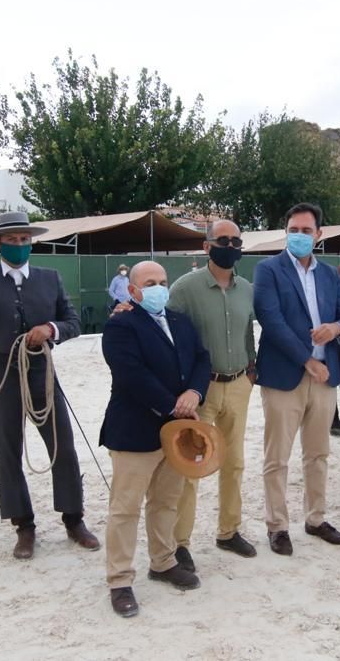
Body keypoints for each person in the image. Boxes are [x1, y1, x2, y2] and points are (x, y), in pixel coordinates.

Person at [0, 212, 98, 559]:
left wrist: (52, 330)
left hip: (42, 372)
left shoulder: (50, 278)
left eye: (24, 239)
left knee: (63, 446)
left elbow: (72, 322)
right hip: (1, 374)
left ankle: (74, 520)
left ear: (31, 241)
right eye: (11, 240)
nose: (19, 245)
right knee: (7, 450)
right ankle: (23, 526)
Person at [99, 261, 211, 618]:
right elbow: (132, 374)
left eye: (163, 281)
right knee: (125, 508)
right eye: (150, 282)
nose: (159, 287)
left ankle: (162, 562)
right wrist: (173, 406)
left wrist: (194, 391)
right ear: (132, 290)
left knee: (166, 501)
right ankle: (119, 580)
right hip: (135, 429)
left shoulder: (180, 320)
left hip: (176, 433)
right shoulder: (121, 325)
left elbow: (201, 359)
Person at [253, 202, 340, 556]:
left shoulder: (330, 274)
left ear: (319, 234)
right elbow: (271, 319)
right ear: (286, 232)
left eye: (306, 231)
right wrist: (305, 360)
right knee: (277, 457)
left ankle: (315, 518)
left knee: (318, 454)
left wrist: (337, 327)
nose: (299, 236)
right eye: (293, 230)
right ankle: (277, 525)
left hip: (325, 377)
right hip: (285, 376)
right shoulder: (268, 270)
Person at [167, 219, 259, 570]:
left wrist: (252, 369)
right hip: (199, 392)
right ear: (207, 246)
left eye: (237, 240)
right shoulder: (184, 289)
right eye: (224, 240)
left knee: (234, 463)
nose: (231, 246)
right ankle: (179, 543)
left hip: (238, 385)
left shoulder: (246, 289)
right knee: (190, 467)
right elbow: (170, 338)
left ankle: (228, 531)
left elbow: (248, 330)